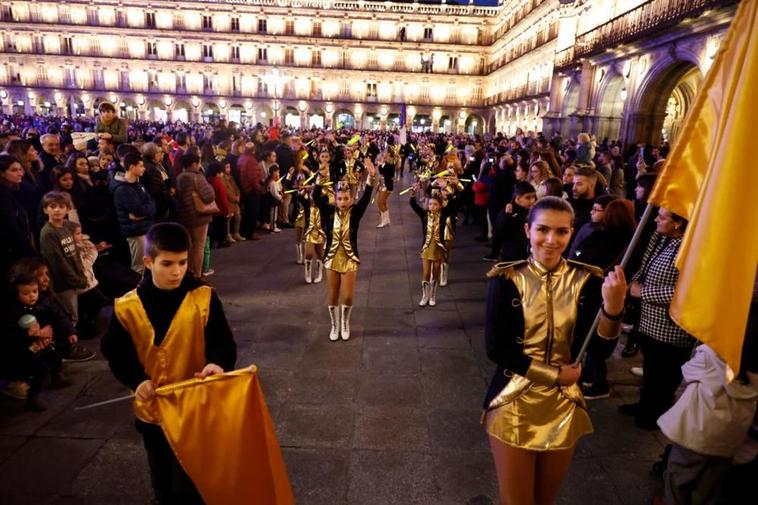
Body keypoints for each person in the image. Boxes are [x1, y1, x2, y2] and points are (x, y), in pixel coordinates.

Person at [482, 196, 627, 505]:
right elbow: (496, 348)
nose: (551, 240)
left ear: (571, 233)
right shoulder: (506, 278)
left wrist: (613, 310)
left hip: (564, 405)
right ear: (527, 231)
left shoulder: (587, 279)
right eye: (543, 230)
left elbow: (599, 349)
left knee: (545, 500)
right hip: (514, 399)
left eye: (561, 232)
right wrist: (553, 375)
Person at [101, 223, 237, 505]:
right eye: (167, 263)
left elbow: (222, 342)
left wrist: (218, 363)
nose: (176, 271)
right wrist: (136, 380)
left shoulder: (203, 297)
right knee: (160, 470)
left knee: (191, 477)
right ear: (148, 262)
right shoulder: (127, 307)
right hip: (152, 408)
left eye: (183, 263)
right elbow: (116, 351)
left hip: (194, 405)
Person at [620, 208, 696, 430]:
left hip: (670, 329)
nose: (656, 219)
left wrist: (641, 292)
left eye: (662, 217)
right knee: (651, 369)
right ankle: (645, 404)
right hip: (649, 323)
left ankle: (655, 414)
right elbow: (646, 267)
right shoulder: (662, 239)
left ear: (678, 224)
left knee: (664, 376)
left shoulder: (689, 249)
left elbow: (687, 291)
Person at [313, 158, 377, 341]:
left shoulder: (355, 213)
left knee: (348, 297)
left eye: (346, 198)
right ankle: (334, 325)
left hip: (349, 258)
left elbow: (366, 198)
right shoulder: (328, 212)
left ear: (351, 199)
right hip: (332, 258)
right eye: (339, 198)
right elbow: (316, 197)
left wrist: (371, 177)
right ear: (335, 198)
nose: (342, 201)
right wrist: (320, 177)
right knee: (332, 296)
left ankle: (345, 323)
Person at [3, 271, 72, 411]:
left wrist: (70, 331)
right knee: (40, 370)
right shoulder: (14, 313)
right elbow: (10, 335)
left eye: (34, 291)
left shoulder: (43, 304)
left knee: (55, 357)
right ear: (17, 294)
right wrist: (26, 334)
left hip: (44, 343)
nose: (32, 296)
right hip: (27, 349)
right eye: (26, 293)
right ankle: (32, 397)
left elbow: (58, 317)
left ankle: (56, 377)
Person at [110, 153, 156, 275]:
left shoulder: (138, 184)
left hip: (143, 228)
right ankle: (137, 292)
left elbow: (152, 204)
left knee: (148, 264)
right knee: (139, 267)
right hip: (135, 232)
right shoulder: (122, 189)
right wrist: (146, 212)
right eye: (140, 166)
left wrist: (144, 214)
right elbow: (138, 210)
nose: (144, 168)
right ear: (131, 167)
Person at [175, 153, 217, 278]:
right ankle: (197, 275)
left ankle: (187, 272)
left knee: (189, 246)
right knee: (199, 246)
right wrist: (209, 186)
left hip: (184, 216)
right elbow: (209, 196)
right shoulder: (197, 177)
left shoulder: (180, 177)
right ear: (194, 164)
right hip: (199, 217)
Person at [484, 181, 537, 262]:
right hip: (512, 257)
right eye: (528, 198)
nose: (532, 200)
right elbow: (498, 234)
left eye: (533, 197)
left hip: (527, 255)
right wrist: (507, 217)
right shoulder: (507, 213)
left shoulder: (531, 211)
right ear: (518, 198)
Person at [376, 152, 394, 228]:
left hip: (387, 186)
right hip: (383, 185)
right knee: (382, 203)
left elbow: (383, 172)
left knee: (381, 203)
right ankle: (387, 220)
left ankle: (384, 221)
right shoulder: (385, 164)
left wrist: (380, 165)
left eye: (384, 156)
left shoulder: (390, 164)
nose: (383, 157)